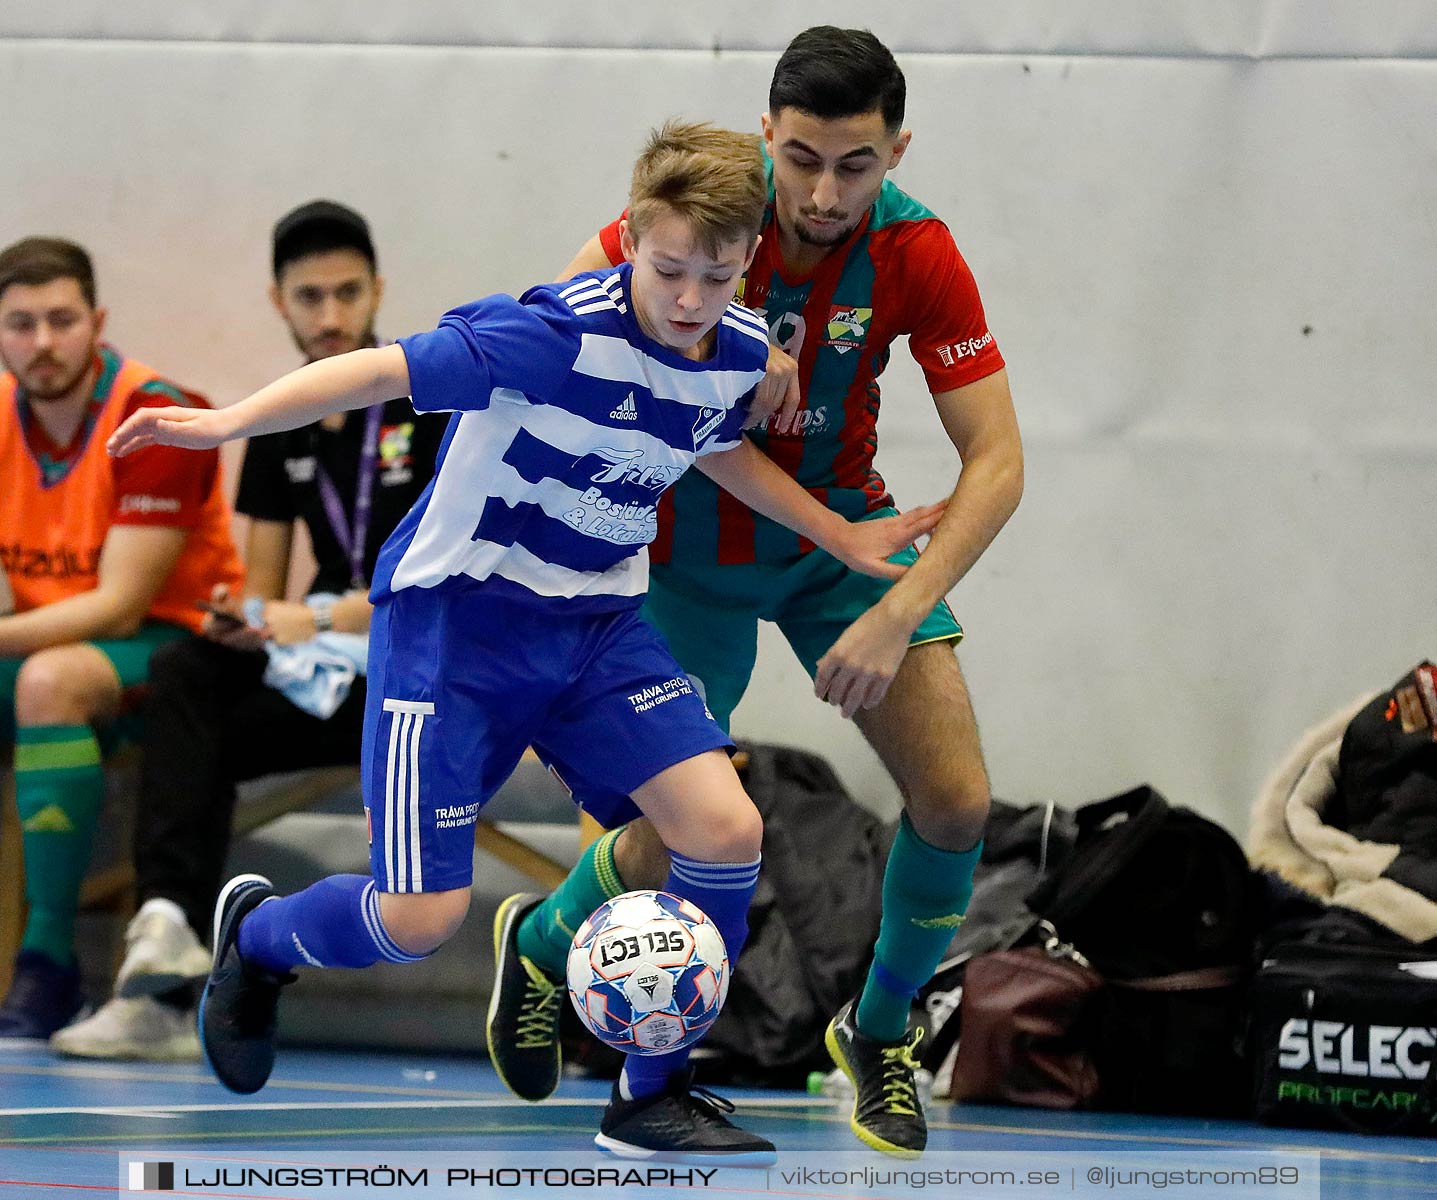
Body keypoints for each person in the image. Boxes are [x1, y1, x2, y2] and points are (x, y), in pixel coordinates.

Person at [108, 121, 941, 1162]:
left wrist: (836, 530)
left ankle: (653, 1091)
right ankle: (260, 940)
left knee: (725, 830)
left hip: (595, 630)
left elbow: (717, 443)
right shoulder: (539, 336)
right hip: (455, 631)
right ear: (632, 235)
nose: (690, 299)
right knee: (419, 919)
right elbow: (376, 370)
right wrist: (228, 423)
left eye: (718, 276)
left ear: (747, 264)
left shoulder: (730, 351)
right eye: (671, 268)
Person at [490, 27, 1023, 1158]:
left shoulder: (918, 250)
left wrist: (891, 612)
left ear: (898, 150)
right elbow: (562, 364)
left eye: (856, 165)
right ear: (765, 136)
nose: (824, 193)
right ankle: (542, 944)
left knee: (960, 803)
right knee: (659, 840)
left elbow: (1000, 463)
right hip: (677, 561)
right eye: (801, 159)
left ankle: (877, 1035)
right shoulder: (694, 218)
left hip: (838, 542)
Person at [52, 202, 447, 1061]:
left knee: (197, 738)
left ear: (377, 290)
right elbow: (264, 589)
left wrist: (332, 615)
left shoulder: (431, 403)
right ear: (280, 303)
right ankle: (161, 950)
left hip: (418, 684)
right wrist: (247, 621)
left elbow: (458, 581)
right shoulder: (282, 419)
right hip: (327, 676)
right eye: (310, 298)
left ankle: (178, 978)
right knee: (187, 674)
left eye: (347, 293)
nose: (331, 317)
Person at [0, 237, 244, 1039]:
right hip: (46, 644)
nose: (42, 343)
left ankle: (46, 965)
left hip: (173, 650)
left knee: (48, 681)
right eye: (21, 323)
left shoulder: (158, 414)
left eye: (61, 320)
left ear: (96, 322)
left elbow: (118, 604)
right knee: (45, 672)